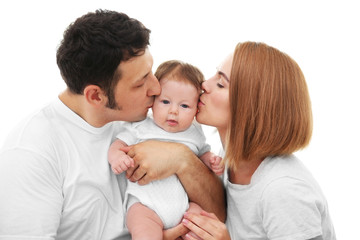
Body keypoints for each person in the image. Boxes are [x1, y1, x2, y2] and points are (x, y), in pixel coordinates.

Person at [0, 10, 225, 240]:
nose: (157, 89)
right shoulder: (30, 153)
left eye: (151, 72)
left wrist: (182, 159)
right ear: (96, 96)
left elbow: (220, 212)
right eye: (140, 83)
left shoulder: (144, 119)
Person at [181, 41, 336, 240]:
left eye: (221, 84)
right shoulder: (226, 160)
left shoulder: (284, 190)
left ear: (251, 107)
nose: (204, 85)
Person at [108, 60, 224, 239]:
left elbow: (203, 154)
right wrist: (116, 157)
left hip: (184, 207)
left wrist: (212, 160)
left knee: (203, 220)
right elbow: (118, 145)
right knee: (145, 232)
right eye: (165, 102)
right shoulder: (141, 126)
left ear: (196, 109)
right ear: (152, 102)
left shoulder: (194, 132)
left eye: (184, 106)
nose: (173, 111)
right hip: (145, 206)